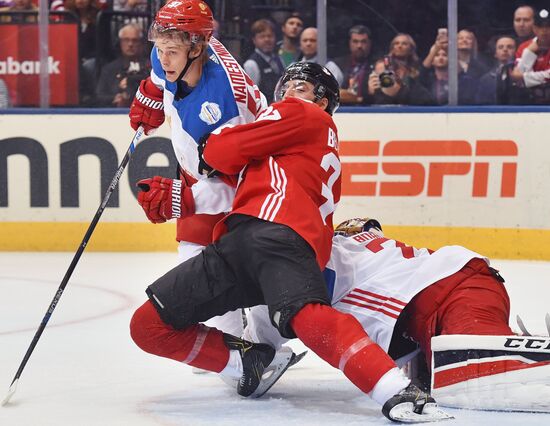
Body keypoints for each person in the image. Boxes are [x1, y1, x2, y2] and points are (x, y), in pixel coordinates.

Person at [129, 62, 450, 423]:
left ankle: (393, 388)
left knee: (307, 316)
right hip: (247, 241)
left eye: (305, 86)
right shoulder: (292, 144)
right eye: (289, 85)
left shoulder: (301, 115)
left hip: (277, 235)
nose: (292, 91)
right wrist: (185, 199)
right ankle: (245, 360)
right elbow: (244, 186)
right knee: (147, 325)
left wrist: (207, 139)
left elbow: (219, 151)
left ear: (324, 102)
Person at [127, 0, 300, 373]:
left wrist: (184, 199)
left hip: (253, 191)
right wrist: (151, 92)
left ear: (197, 48)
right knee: (192, 276)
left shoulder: (223, 107)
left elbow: (241, 187)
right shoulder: (177, 50)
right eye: (159, 48)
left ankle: (255, 349)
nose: (163, 58)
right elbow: (160, 74)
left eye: (171, 51)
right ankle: (237, 349)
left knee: (233, 289)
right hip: (204, 172)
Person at [246, 216, 550, 412]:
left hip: (448, 293)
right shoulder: (343, 246)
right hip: (460, 284)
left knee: (475, 370)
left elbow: (257, 356)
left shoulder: (298, 265)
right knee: (445, 379)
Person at [366, 33, 434, 106]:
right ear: (392, 48)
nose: (399, 46)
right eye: (396, 43)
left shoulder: (415, 69)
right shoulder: (383, 64)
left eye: (404, 44)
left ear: (411, 49)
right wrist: (370, 90)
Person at [96, 23, 149, 107]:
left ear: (141, 44)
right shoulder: (109, 69)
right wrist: (114, 98)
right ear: (120, 42)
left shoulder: (150, 68)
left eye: (134, 40)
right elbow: (99, 96)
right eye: (126, 40)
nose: (130, 44)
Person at [512, 8, 550, 104]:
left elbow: (520, 76)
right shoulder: (524, 47)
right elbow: (518, 80)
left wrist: (524, 78)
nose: (544, 30)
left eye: (548, 26)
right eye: (540, 27)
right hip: (529, 101)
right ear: (534, 29)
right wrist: (529, 52)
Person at [243, 19, 285, 104]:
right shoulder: (251, 64)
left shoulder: (278, 59)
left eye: (270, 36)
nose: (267, 39)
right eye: (262, 36)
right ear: (254, 40)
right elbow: (251, 97)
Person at [334, 25, 372, 105]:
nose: (359, 46)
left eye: (363, 42)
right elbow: (330, 92)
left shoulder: (377, 65)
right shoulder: (337, 65)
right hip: (341, 111)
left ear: (369, 44)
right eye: (355, 41)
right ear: (349, 43)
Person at [476, 36, 519, 104]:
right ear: (495, 53)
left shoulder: (522, 75)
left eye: (509, 47)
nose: (505, 50)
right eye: (500, 47)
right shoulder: (486, 79)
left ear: (516, 51)